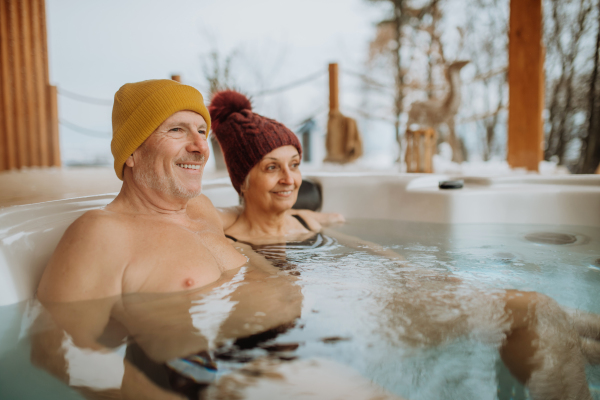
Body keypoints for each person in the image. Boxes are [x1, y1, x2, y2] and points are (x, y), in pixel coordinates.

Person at [206, 89, 600, 400]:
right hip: (352, 315)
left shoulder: (306, 218)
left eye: (294, 164)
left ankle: (581, 336)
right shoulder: (227, 233)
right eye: (271, 167)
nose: (290, 179)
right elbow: (186, 208)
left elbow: (370, 252)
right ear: (242, 180)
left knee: (548, 311)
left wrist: (423, 275)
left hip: (390, 291)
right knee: (534, 308)